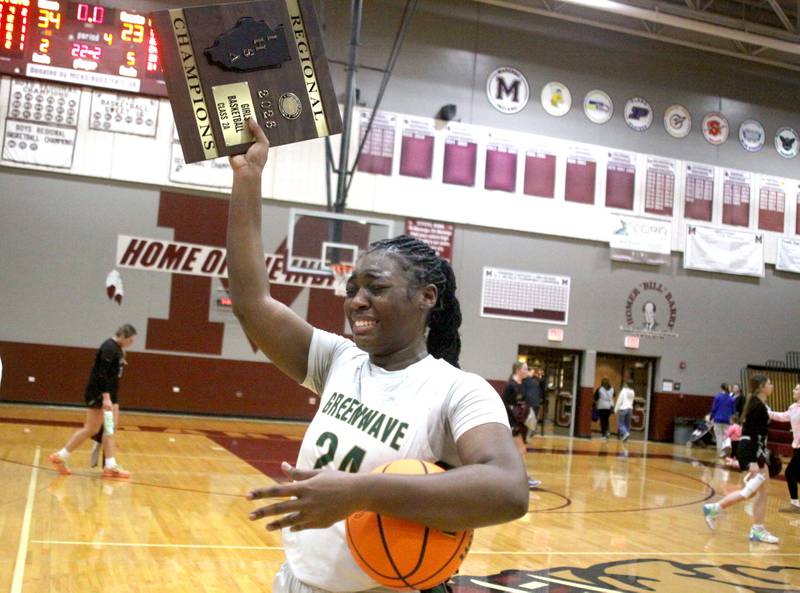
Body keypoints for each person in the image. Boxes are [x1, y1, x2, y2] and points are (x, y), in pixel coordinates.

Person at [227, 118, 529, 593]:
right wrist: (247, 179)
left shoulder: (457, 390)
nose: (356, 300)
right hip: (298, 583)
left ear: (427, 297)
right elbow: (251, 303)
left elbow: (508, 490)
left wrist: (359, 492)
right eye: (352, 288)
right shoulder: (339, 361)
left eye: (376, 287)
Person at [48, 324, 137, 478]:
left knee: (101, 429)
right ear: (123, 336)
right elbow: (101, 374)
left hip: (108, 395)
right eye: (130, 340)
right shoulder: (109, 347)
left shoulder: (116, 349)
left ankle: (106, 464)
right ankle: (63, 456)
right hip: (101, 395)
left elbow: (110, 371)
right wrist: (106, 398)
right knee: (100, 428)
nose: (131, 343)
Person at [703, 375, 779, 543]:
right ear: (761, 387)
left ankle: (715, 509)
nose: (772, 386)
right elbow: (750, 433)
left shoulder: (758, 405)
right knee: (757, 492)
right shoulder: (757, 406)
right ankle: (756, 529)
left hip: (755, 450)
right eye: (769, 383)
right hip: (752, 450)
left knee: (757, 492)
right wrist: (752, 460)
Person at [503, 362, 540, 489]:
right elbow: (505, 405)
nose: (527, 371)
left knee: (515, 451)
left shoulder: (521, 385)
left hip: (519, 423)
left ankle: (511, 477)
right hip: (512, 423)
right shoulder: (510, 386)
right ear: (518, 370)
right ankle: (525, 478)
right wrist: (512, 421)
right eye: (525, 369)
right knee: (521, 450)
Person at [768, 382, 800, 513]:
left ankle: (795, 505)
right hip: (796, 446)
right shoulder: (793, 407)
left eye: (797, 389)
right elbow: (782, 417)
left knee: (789, 473)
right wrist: (767, 412)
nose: (793, 390)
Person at [710, 382, 735, 458]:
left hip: (717, 419)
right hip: (727, 420)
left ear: (721, 388)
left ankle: (720, 453)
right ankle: (726, 452)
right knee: (726, 437)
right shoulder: (731, 399)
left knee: (719, 437)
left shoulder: (717, 397)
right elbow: (733, 411)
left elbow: (714, 409)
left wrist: (711, 417)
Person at [521, 366, 542, 437]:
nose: (533, 373)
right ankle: (533, 431)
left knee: (526, 417)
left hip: (530, 402)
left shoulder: (524, 380)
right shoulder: (535, 381)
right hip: (536, 402)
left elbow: (523, 392)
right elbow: (539, 392)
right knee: (533, 417)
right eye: (532, 372)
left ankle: (527, 432)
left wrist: (522, 400)